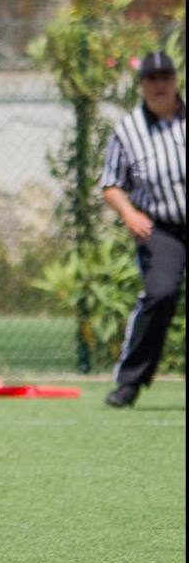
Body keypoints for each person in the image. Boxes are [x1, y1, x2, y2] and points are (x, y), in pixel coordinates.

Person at [101, 51, 186, 408]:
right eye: (152, 79)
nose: (159, 85)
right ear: (142, 85)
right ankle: (129, 382)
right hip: (161, 226)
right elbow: (111, 184)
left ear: (175, 80)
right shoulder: (128, 131)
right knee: (160, 294)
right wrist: (129, 213)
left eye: (165, 77)